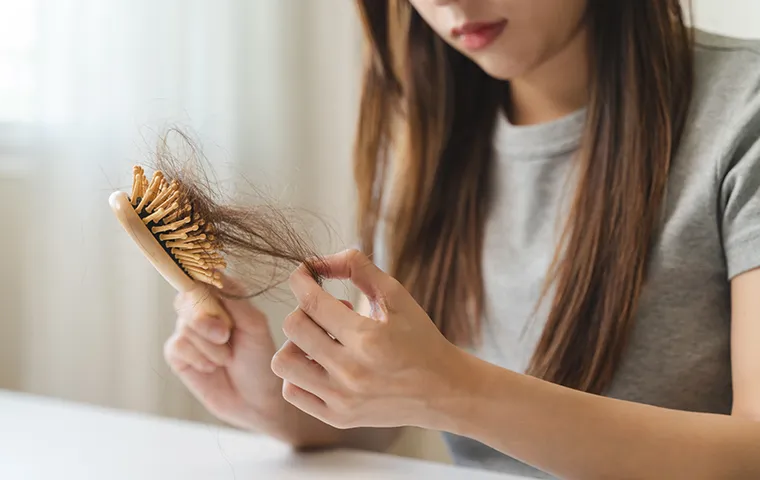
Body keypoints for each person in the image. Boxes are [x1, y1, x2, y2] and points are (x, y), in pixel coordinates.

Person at [164, 1, 760, 478]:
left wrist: (450, 387)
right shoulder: (442, 133)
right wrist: (274, 397)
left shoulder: (743, 111)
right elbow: (400, 409)